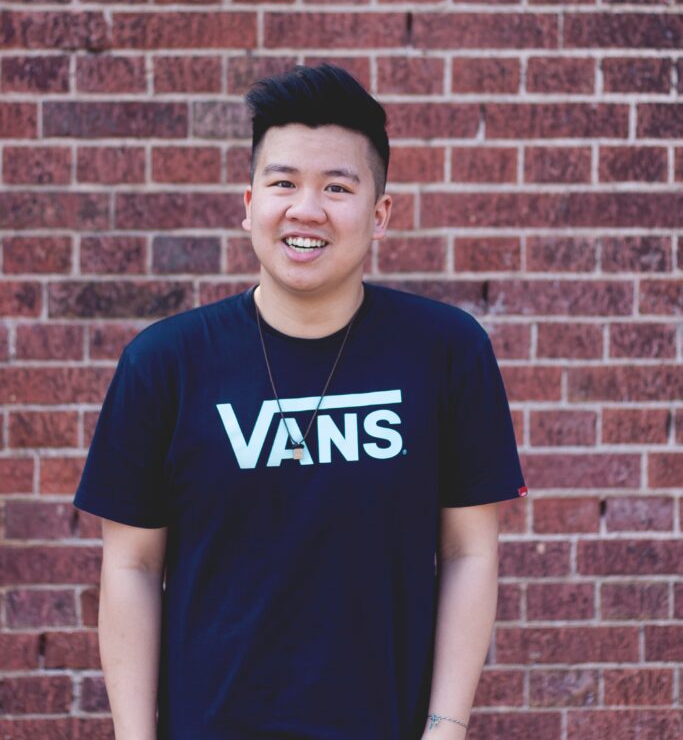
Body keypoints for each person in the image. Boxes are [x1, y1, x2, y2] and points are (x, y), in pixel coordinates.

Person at [73, 63, 527, 740]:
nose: (305, 209)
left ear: (380, 215)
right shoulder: (165, 363)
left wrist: (445, 726)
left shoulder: (445, 351)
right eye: (283, 182)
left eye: (336, 187)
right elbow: (132, 565)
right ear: (248, 201)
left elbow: (468, 551)